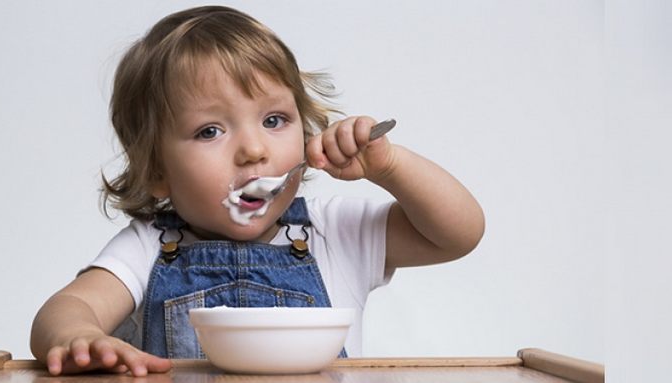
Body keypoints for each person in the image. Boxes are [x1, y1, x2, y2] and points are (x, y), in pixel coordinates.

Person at [30, 5, 485, 377]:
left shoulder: (332, 233)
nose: (252, 149)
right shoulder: (148, 248)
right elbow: (69, 306)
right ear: (156, 170)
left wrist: (390, 166)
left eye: (274, 120)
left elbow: (457, 234)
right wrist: (78, 337)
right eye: (210, 131)